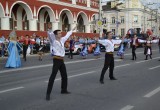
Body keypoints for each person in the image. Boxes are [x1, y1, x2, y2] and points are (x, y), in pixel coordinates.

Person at [46, 24, 77, 101]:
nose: (61, 34)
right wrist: (49, 30)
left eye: (60, 33)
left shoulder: (62, 40)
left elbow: (67, 34)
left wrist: (72, 29)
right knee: (52, 77)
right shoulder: (53, 41)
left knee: (64, 75)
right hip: (56, 60)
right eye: (59, 33)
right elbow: (50, 35)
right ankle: (48, 94)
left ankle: (64, 90)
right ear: (56, 35)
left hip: (61, 60)